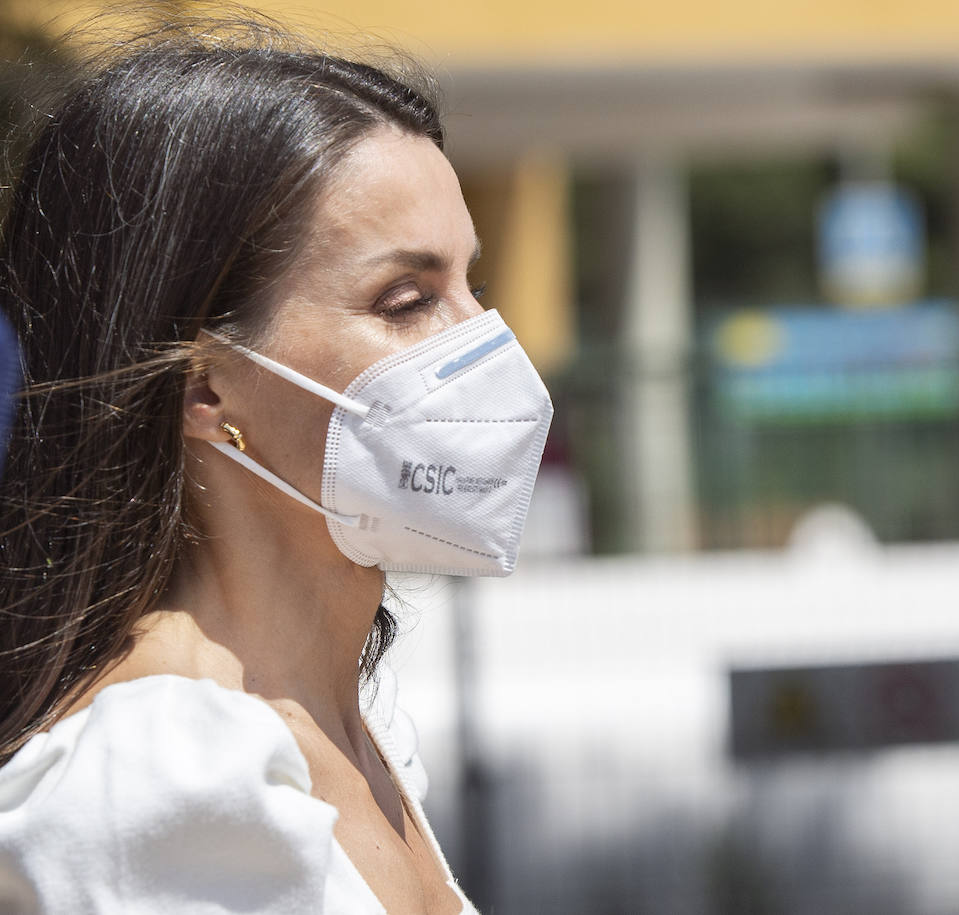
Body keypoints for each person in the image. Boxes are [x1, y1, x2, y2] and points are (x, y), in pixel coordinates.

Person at [0, 16, 552, 914]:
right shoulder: (160, 780)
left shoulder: (339, 740)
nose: (488, 350)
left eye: (472, 289)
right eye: (407, 301)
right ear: (204, 388)